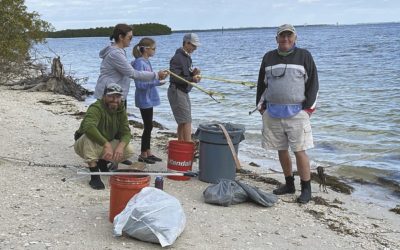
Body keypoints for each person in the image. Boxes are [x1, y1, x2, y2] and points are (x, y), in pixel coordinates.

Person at [256, 24, 319, 203]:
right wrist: (261, 107)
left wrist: (308, 109)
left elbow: (313, 83)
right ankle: (289, 184)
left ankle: (306, 189)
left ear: (295, 38)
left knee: (300, 150)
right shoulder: (268, 57)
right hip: (273, 112)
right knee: (281, 149)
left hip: (298, 112)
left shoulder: (304, 56)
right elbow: (262, 83)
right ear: (276, 39)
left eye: (289, 36)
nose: (285, 39)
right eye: (282, 36)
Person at [74, 83, 134, 190]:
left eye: (117, 96)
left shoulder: (121, 110)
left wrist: (120, 147)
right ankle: (94, 175)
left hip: (105, 143)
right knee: (89, 137)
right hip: (83, 143)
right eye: (111, 96)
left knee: (128, 149)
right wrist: (106, 144)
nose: (114, 100)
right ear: (104, 96)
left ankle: (103, 162)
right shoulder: (96, 107)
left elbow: (126, 132)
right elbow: (88, 127)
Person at [94, 23, 168, 103]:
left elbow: (122, 70)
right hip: (109, 96)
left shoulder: (117, 51)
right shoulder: (115, 53)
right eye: (130, 37)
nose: (131, 40)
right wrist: (156, 75)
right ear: (121, 37)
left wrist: (131, 65)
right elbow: (133, 74)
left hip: (115, 94)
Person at [131, 37, 164, 164]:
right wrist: (156, 82)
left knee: (149, 126)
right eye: (153, 49)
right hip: (143, 99)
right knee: (148, 126)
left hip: (149, 99)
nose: (155, 51)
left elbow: (149, 79)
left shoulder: (146, 61)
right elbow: (140, 85)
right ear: (146, 49)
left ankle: (148, 152)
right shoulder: (140, 62)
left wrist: (158, 81)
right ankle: (143, 154)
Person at [168, 33, 202, 142]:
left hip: (183, 91)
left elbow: (186, 74)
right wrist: (192, 79)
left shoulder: (187, 57)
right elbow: (175, 77)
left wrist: (194, 74)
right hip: (176, 90)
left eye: (196, 46)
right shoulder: (177, 57)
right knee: (187, 120)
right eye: (193, 45)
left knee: (183, 121)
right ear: (186, 43)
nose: (195, 48)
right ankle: (188, 144)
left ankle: (182, 143)